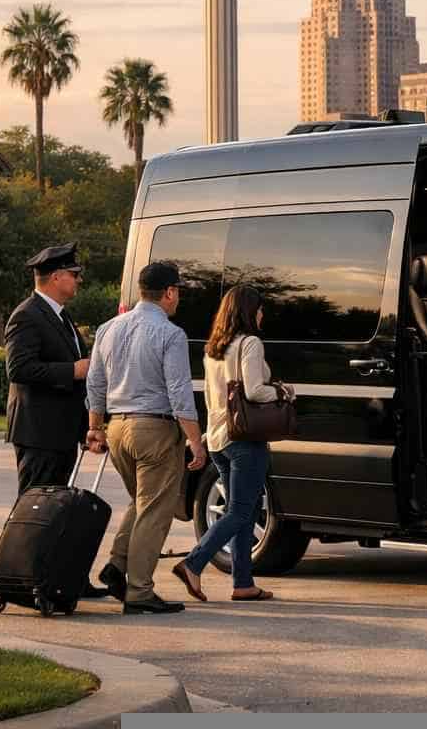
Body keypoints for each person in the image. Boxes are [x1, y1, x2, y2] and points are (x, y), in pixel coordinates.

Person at [85, 262, 207, 615]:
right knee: (156, 510)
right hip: (153, 429)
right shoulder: (170, 334)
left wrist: (95, 427)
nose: (178, 298)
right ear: (169, 293)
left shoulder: (109, 328)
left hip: (117, 428)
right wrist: (195, 442)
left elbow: (95, 382)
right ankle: (140, 591)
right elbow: (179, 392)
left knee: (141, 502)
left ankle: (116, 566)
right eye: (178, 291)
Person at [3, 242, 109, 599]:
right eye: (74, 275)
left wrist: (87, 430)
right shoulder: (27, 315)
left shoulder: (60, 317)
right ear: (56, 276)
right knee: (35, 512)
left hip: (61, 433)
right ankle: (24, 581)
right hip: (38, 434)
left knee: (60, 514)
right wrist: (73, 369)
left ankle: (63, 579)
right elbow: (18, 369)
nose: (78, 281)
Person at [171, 285, 278, 603]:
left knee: (240, 512)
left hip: (218, 439)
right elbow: (255, 391)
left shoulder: (213, 348)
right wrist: (284, 393)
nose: (262, 314)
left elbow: (208, 396)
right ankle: (193, 563)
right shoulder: (250, 343)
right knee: (242, 511)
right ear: (248, 311)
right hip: (245, 439)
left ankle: (243, 582)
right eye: (259, 308)